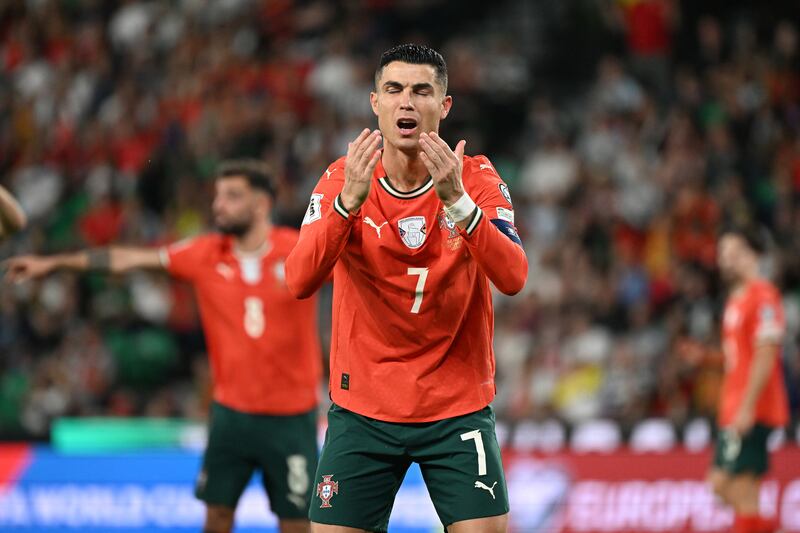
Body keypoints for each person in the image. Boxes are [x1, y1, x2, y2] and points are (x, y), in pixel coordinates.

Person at [285, 43, 528, 533]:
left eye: (422, 91)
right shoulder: (343, 177)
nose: (407, 103)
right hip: (364, 409)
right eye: (394, 90)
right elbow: (297, 281)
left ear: (445, 105)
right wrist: (346, 205)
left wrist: (458, 202)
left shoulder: (475, 179)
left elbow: (514, 277)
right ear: (375, 102)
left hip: (455, 407)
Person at [5, 160, 321, 533]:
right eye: (217, 195)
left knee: (297, 523)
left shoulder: (300, 249)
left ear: (262, 205)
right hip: (231, 416)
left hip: (293, 417)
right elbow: (126, 259)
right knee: (217, 517)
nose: (218, 205)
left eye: (232, 196)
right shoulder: (204, 253)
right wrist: (54, 263)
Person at [707, 227, 789, 533]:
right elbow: (738, 357)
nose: (725, 261)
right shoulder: (736, 300)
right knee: (745, 493)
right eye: (722, 254)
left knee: (722, 483)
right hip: (735, 405)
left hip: (752, 407)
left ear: (754, 255)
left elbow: (766, 354)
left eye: (733, 253)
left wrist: (747, 406)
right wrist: (706, 358)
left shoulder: (764, 297)